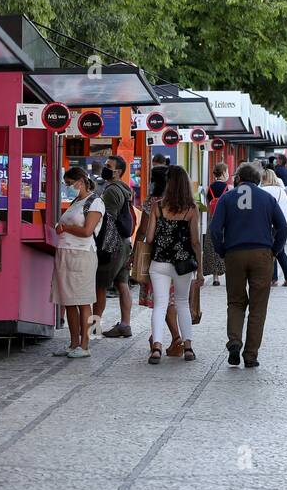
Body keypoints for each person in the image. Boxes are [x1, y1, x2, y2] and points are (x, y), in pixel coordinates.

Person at [209, 162, 287, 368]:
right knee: (258, 306)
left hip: (235, 253)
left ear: (238, 179)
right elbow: (282, 227)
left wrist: (222, 250)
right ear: (258, 180)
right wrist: (275, 250)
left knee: (235, 302)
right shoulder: (267, 198)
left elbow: (215, 229)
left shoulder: (227, 198)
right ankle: (251, 354)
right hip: (262, 253)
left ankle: (234, 341)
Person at [143, 167, 203, 364]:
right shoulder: (191, 209)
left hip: (159, 262)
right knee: (182, 303)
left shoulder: (157, 207)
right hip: (183, 264)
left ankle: (157, 348)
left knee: (160, 305)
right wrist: (200, 270)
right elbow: (195, 242)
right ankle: (188, 347)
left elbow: (149, 238)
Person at [52, 167, 104, 359]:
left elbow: (87, 230)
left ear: (80, 181)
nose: (68, 187)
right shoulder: (76, 201)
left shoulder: (95, 202)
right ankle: (73, 343)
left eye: (69, 183)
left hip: (82, 255)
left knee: (83, 301)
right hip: (65, 254)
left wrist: (65, 227)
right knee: (69, 301)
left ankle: (85, 344)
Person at [96, 155, 135, 339]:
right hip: (125, 243)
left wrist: (102, 247)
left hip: (113, 243)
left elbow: (107, 221)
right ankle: (125, 324)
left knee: (100, 285)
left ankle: (92, 328)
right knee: (122, 283)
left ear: (117, 172)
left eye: (108, 166)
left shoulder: (111, 191)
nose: (105, 168)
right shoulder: (125, 189)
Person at [261, 169, 287, 286]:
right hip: (283, 225)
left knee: (271, 251)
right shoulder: (282, 191)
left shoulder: (262, 190)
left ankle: (273, 278)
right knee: (280, 251)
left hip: (268, 224)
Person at [203, 162, 230, 286]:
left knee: (213, 247)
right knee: (226, 246)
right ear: (223, 173)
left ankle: (215, 277)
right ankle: (227, 272)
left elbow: (208, 206)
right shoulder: (227, 188)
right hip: (225, 221)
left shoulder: (210, 187)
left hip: (213, 220)